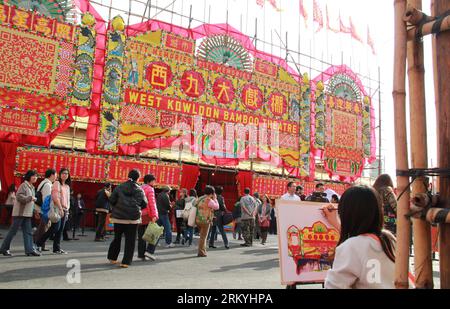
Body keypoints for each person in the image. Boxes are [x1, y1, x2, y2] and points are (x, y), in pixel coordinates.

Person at [321, 186, 396, 289]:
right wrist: (335, 222)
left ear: (346, 214)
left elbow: (333, 286)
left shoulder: (351, 246)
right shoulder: (389, 239)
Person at [107, 169, 147, 268]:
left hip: (118, 217)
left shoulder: (119, 187)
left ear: (128, 176)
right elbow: (144, 203)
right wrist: (136, 208)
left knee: (117, 238)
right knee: (130, 240)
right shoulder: (139, 189)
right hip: (133, 219)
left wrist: (118, 207)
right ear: (138, 178)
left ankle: (112, 258)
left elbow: (112, 200)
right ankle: (126, 262)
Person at [0, 170, 41, 257]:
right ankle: (4, 248)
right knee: (13, 232)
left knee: (28, 232)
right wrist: (30, 198)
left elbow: (31, 202)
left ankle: (29, 250)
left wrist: (35, 211)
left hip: (27, 213)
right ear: (28, 177)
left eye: (36, 176)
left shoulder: (32, 187)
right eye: (33, 176)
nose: (35, 178)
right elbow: (19, 197)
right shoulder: (24, 185)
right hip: (20, 213)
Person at [35, 168, 71, 254]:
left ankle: (56, 248)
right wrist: (61, 209)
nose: (65, 175)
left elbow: (68, 199)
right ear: (59, 174)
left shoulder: (67, 186)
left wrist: (67, 210)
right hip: (58, 209)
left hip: (65, 209)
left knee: (60, 230)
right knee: (55, 228)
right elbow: (55, 197)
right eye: (63, 173)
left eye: (66, 173)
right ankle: (38, 243)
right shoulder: (56, 183)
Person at [34, 169, 57, 252]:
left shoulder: (44, 182)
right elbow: (46, 199)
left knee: (43, 227)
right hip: (44, 209)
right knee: (44, 227)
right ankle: (39, 245)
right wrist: (48, 211)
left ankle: (38, 243)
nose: (56, 177)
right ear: (51, 175)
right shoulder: (47, 185)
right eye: (56, 175)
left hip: (40, 208)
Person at [137, 174, 159, 261]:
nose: (155, 182)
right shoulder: (150, 189)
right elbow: (152, 203)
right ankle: (149, 252)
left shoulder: (139, 188)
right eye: (153, 180)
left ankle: (141, 254)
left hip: (140, 214)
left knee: (141, 235)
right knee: (155, 232)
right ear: (149, 181)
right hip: (148, 214)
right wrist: (154, 215)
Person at [194, 185, 219, 257]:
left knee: (202, 236)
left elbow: (194, 204)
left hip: (198, 219)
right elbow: (217, 207)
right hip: (205, 220)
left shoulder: (200, 198)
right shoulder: (209, 200)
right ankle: (201, 252)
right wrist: (215, 199)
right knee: (203, 237)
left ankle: (202, 250)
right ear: (211, 193)